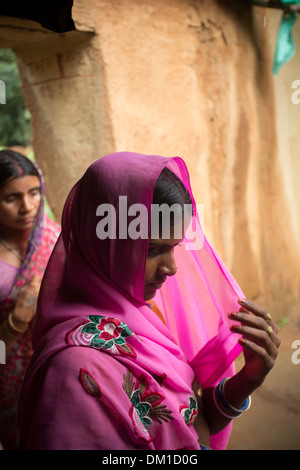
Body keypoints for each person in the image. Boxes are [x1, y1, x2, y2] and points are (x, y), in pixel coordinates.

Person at [18, 152, 280, 450]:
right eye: (153, 249)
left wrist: (247, 380)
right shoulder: (74, 372)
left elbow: (188, 423)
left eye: (174, 247)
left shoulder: (144, 315)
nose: (171, 268)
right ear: (105, 242)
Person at [0, 149, 60, 450]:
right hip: (5, 390)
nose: (27, 206)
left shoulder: (58, 241)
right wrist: (14, 324)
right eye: (11, 198)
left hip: (55, 376)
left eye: (35, 193)